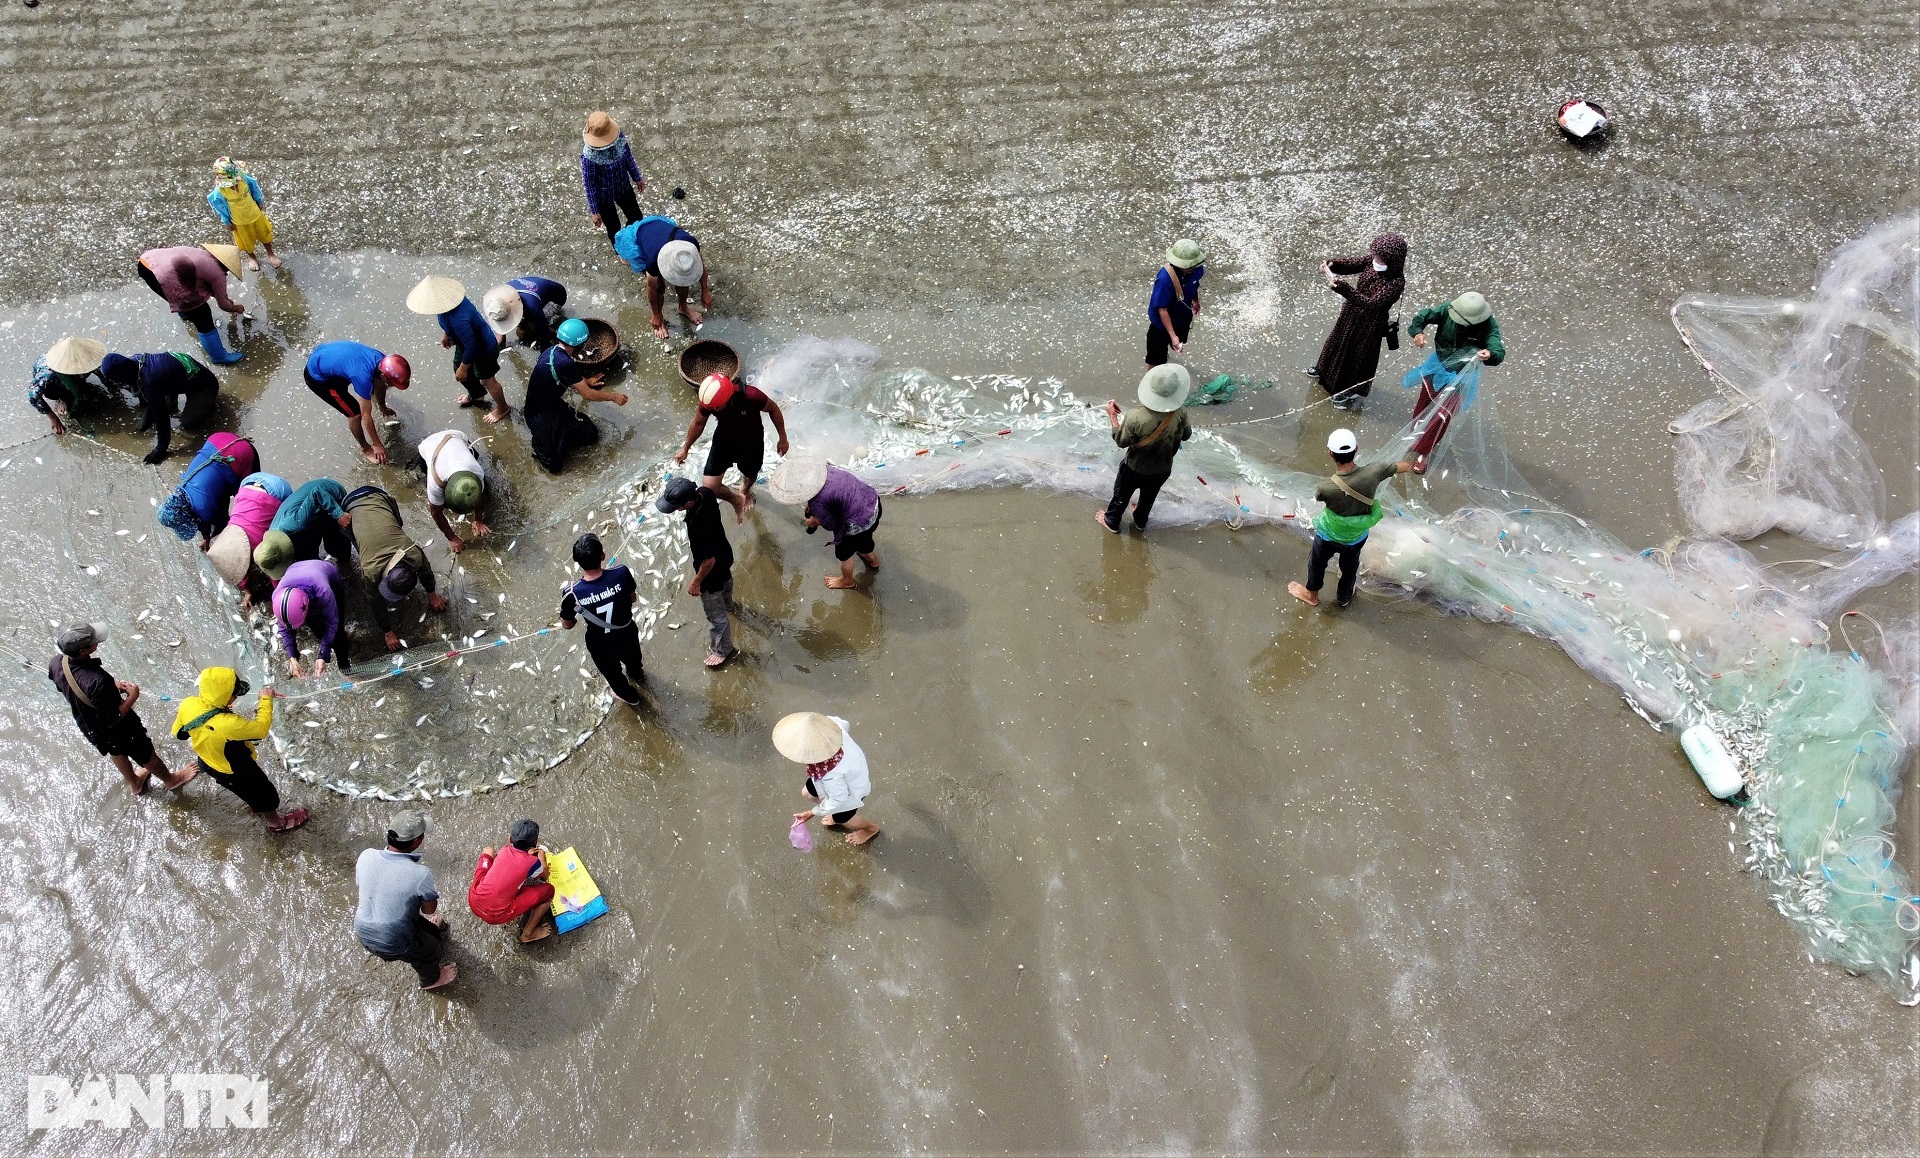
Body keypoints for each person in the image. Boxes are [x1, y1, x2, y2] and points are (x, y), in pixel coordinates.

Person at [49, 622, 194, 796]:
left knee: (115, 751)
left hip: (90, 727)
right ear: (83, 651)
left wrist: (109, 690)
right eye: (93, 641)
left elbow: (66, 687)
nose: (97, 642)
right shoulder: (97, 681)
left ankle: (135, 782)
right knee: (145, 753)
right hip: (118, 729)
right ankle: (172, 780)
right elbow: (111, 718)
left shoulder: (56, 663)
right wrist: (132, 696)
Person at [169, 665, 308, 832]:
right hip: (235, 768)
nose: (235, 698)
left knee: (242, 790)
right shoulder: (229, 724)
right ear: (226, 697)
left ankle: (254, 804)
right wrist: (266, 700)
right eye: (233, 695)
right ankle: (276, 823)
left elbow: (179, 733)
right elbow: (260, 730)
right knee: (265, 793)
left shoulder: (188, 703)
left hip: (207, 761)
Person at [1287, 428, 1413, 609]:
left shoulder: (1326, 487)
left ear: (1331, 453)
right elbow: (1404, 466)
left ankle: (1311, 594)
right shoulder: (1375, 471)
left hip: (1329, 535)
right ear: (1356, 449)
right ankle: (1344, 597)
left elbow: (1320, 499)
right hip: (1356, 536)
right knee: (1350, 566)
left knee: (1317, 562)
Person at [1403, 291, 1506, 473]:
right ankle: (1415, 437)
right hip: (1438, 365)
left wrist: (1490, 354)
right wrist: (1418, 333)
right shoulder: (1448, 310)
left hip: (1462, 377)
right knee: (1424, 404)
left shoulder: (1489, 325)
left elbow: (1497, 348)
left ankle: (1424, 452)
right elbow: (1422, 317)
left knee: (1442, 415)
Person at [354, 810, 456, 991]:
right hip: (393, 941)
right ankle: (431, 981)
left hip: (362, 931)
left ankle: (428, 934)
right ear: (417, 841)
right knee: (432, 950)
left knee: (426, 927)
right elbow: (429, 910)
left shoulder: (366, 855)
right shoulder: (420, 874)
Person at [1309, 233, 1409, 410]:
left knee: (1355, 355)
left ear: (1392, 260)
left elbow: (1373, 304)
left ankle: (1343, 391)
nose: (1375, 259)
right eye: (1375, 254)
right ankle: (1322, 370)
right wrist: (1333, 264)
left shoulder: (1396, 282)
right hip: (1351, 313)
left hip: (1370, 324)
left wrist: (1345, 289)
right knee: (1336, 341)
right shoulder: (1373, 261)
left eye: (1381, 258)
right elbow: (1353, 264)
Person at [671, 373, 789, 522]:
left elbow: (773, 409)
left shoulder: (751, 395)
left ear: (728, 396)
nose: (714, 410)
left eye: (717, 407)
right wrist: (685, 448)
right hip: (724, 440)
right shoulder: (709, 403)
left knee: (750, 474)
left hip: (751, 442)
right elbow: (698, 423)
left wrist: (782, 438)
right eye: (710, 408)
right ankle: (736, 500)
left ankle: (745, 491)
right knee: (710, 487)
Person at [344, 485, 449, 651]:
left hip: (381, 497)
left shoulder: (412, 553)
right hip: (350, 505)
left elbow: (425, 571)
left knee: (397, 525)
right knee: (357, 541)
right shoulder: (371, 572)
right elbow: (376, 601)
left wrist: (432, 594)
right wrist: (387, 632)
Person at [1096, 363, 1193, 534]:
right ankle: (1140, 520)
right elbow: (1186, 435)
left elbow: (1120, 440)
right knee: (1148, 497)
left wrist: (1112, 417)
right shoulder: (1180, 412)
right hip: (1161, 469)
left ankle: (1111, 521)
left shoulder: (1134, 416)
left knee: (1121, 496)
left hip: (1134, 468)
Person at [523, 319, 627, 474]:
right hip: (538, 414)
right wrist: (613, 397)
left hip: (554, 405)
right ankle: (541, 444)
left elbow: (569, 375)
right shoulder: (565, 362)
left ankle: (559, 437)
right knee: (554, 466)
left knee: (590, 434)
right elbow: (587, 394)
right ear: (578, 345)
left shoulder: (553, 350)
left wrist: (586, 381)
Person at [656, 477, 737, 669]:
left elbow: (708, 562)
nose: (675, 509)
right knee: (727, 581)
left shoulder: (697, 526)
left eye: (677, 506)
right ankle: (731, 605)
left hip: (711, 572)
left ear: (689, 503)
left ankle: (722, 649)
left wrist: (696, 582)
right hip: (724, 553)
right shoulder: (705, 493)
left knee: (715, 615)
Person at [406, 276, 509, 424]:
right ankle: (476, 394)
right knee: (457, 366)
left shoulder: (459, 319)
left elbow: (472, 346)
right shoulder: (447, 307)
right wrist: (447, 334)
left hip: (483, 349)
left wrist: (464, 368)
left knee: (487, 380)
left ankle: (502, 407)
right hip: (465, 344)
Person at [768, 456, 881, 590]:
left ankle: (847, 581)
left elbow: (831, 524)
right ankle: (872, 560)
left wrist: (815, 521)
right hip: (873, 503)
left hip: (856, 524)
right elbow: (835, 497)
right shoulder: (828, 470)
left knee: (844, 554)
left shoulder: (817, 502)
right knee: (864, 538)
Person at [558, 533, 644, 706]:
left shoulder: (572, 593)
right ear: (603, 555)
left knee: (614, 677)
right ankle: (637, 675)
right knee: (634, 663)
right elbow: (632, 598)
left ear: (576, 561)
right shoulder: (621, 572)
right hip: (626, 632)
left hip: (601, 645)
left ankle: (631, 698)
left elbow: (567, 625)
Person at [774, 711, 879, 847]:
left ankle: (870, 829)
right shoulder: (827, 726)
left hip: (851, 789)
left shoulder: (830, 774)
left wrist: (811, 813)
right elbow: (845, 724)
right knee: (807, 792)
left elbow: (839, 798)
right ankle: (832, 811)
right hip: (852, 767)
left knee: (842, 817)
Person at [97, 351, 221, 464]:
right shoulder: (135, 360)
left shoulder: (149, 381)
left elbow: (162, 418)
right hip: (179, 377)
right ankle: (152, 404)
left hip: (204, 385)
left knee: (189, 424)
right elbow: (137, 385)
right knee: (145, 390)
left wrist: (160, 449)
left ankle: (209, 407)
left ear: (122, 375)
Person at [135, 242, 247, 365]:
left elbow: (192, 280)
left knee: (180, 289)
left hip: (147, 263)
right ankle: (219, 357)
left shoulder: (199, 253)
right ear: (227, 267)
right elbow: (223, 304)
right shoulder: (217, 273)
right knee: (203, 315)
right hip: (161, 275)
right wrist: (234, 308)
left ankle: (185, 312)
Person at [303, 341, 411, 465]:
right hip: (319, 378)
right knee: (355, 413)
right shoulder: (363, 378)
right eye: (392, 383)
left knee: (377, 385)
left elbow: (380, 385)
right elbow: (366, 416)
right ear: (383, 375)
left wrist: (383, 408)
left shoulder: (382, 360)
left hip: (326, 356)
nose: (393, 386)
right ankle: (365, 449)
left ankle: (381, 408)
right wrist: (377, 444)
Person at [612, 215, 709, 338]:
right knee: (659, 287)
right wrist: (655, 314)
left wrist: (705, 291)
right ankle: (660, 319)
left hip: (660, 226)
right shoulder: (653, 260)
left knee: (683, 280)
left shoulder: (691, 244)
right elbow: (651, 289)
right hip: (642, 234)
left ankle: (683, 307)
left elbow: (702, 267)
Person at [207, 472, 290, 608]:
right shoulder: (227, 536)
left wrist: (279, 597)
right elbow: (236, 566)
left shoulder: (258, 544)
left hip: (277, 490)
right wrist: (247, 591)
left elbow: (274, 571)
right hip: (249, 483)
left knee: (285, 533)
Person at [468, 818, 555, 945]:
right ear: (535, 842)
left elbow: (513, 860)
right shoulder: (532, 862)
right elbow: (544, 876)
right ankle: (528, 934)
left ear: (510, 839)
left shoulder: (504, 850)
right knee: (549, 890)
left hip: (474, 899)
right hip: (496, 914)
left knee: (488, 851)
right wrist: (541, 856)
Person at [257, 477, 352, 580]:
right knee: (305, 555)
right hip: (304, 515)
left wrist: (338, 514)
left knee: (335, 541)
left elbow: (317, 492)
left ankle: (344, 561)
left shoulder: (296, 524)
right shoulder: (271, 540)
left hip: (327, 493)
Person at [174, 433, 259, 547]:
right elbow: (208, 505)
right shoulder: (183, 488)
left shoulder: (204, 507)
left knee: (252, 499)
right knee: (219, 491)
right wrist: (206, 537)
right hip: (218, 440)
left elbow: (225, 523)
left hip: (240, 453)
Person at [274, 558, 352, 679]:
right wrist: (292, 659)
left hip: (328, 575)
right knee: (318, 630)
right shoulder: (278, 597)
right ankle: (328, 641)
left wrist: (323, 655)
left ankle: (345, 668)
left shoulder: (324, 592)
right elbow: (285, 628)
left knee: (337, 631)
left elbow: (332, 622)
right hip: (297, 572)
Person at [417, 429, 491, 552]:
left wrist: (478, 519)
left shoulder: (477, 473)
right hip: (429, 446)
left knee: (488, 490)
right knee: (437, 501)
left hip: (455, 436)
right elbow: (436, 512)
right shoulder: (436, 482)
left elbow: (479, 496)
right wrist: (451, 537)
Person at [579, 111, 645, 246]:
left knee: (636, 217)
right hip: (604, 197)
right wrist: (595, 211)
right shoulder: (589, 157)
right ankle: (620, 249)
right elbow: (589, 184)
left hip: (623, 186)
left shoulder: (619, 138)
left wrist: (637, 177)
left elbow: (628, 158)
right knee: (613, 226)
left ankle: (629, 238)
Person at [205, 157, 281, 271]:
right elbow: (219, 207)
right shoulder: (219, 192)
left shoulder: (244, 179)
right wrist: (226, 220)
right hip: (239, 221)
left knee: (265, 235)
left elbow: (254, 187)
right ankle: (252, 257)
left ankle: (270, 253)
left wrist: (259, 201)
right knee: (246, 242)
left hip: (255, 214)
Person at [28, 337, 108, 437]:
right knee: (58, 393)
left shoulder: (88, 358)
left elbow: (100, 370)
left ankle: (73, 390)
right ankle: (62, 398)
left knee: (84, 393)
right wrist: (53, 418)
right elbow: (33, 396)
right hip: (54, 383)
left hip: (72, 376)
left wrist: (109, 385)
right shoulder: (47, 374)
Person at [1146, 238, 1205, 366]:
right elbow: (1162, 309)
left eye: (1193, 265)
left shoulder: (1197, 269)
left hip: (1182, 315)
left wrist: (1195, 300)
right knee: (1156, 359)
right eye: (1188, 267)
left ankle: (1171, 345)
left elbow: (1195, 284)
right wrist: (1173, 336)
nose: (1192, 268)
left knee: (1178, 342)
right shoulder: (1164, 279)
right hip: (1161, 323)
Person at [483, 276, 569, 349]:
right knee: (522, 331)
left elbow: (544, 336)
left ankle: (555, 332)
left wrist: (545, 353)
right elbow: (501, 312)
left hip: (556, 297)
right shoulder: (504, 295)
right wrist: (501, 335)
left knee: (526, 333)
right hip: (534, 292)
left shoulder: (532, 306)